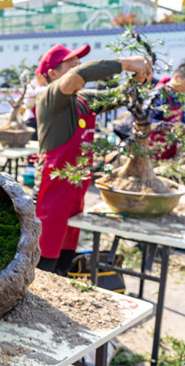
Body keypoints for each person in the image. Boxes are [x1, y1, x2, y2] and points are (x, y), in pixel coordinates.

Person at [34, 44, 153, 275]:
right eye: (71, 63)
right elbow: (81, 75)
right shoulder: (50, 98)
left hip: (75, 195)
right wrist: (127, 64)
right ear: (53, 74)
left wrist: (141, 79)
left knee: (64, 264)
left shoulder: (84, 100)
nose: (77, 65)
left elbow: (122, 97)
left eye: (78, 61)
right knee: (43, 268)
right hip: (51, 196)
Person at [148, 63, 185, 160]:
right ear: (177, 77)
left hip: (171, 150)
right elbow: (145, 122)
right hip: (154, 149)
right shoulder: (159, 94)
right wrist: (169, 125)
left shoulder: (181, 96)